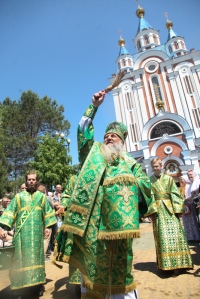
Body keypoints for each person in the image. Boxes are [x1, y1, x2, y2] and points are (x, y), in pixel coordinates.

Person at [57, 91, 152, 299]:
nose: (109, 137)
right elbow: (83, 133)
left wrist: (129, 189)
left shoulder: (131, 164)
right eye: (106, 135)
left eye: (114, 136)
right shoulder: (95, 156)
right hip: (94, 226)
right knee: (93, 270)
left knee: (121, 269)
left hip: (119, 232)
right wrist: (94, 106)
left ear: (121, 141)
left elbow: (146, 189)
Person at [0, 171, 57, 298]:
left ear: (36, 181)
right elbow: (10, 213)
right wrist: (3, 229)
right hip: (22, 236)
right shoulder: (19, 197)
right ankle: (22, 287)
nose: (31, 181)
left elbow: (48, 213)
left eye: (33, 179)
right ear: (26, 181)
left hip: (36, 236)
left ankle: (37, 286)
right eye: (29, 179)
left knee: (36, 260)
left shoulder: (41, 197)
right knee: (22, 261)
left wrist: (47, 227)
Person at [146, 158, 193, 276]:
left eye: (157, 166)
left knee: (176, 235)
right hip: (158, 212)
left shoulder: (169, 179)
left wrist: (178, 210)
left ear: (161, 166)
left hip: (170, 210)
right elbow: (150, 197)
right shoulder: (150, 181)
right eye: (154, 167)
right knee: (162, 237)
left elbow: (175, 194)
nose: (156, 168)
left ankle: (180, 264)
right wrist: (151, 212)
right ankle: (166, 266)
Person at [182, 170, 200, 241]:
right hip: (195, 203)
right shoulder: (192, 184)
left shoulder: (198, 181)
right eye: (188, 175)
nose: (190, 176)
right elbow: (191, 195)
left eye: (191, 175)